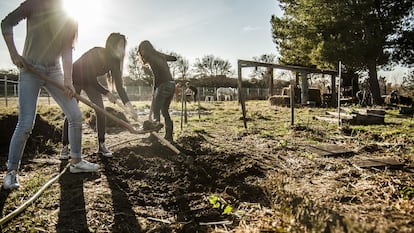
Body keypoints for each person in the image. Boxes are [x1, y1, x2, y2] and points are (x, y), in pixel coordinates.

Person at [1, 0, 99, 190]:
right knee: (26, 123)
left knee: (75, 115)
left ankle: (76, 161)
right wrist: (14, 54)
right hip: (30, 69)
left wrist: (68, 81)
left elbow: (66, 51)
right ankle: (11, 172)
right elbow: (6, 23)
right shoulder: (34, 5)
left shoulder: (69, 17)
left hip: (54, 72)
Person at [60, 32, 138, 159]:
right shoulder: (97, 53)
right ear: (111, 45)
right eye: (119, 46)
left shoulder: (115, 62)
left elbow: (119, 87)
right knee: (72, 112)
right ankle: (64, 146)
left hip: (90, 83)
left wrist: (131, 108)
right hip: (75, 78)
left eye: (123, 46)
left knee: (101, 111)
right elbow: (91, 78)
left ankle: (101, 144)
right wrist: (107, 93)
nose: (122, 49)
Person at [137, 40, 176, 142]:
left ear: (145, 50)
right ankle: (169, 136)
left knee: (156, 110)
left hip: (163, 85)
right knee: (165, 111)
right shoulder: (159, 55)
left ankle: (153, 136)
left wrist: (154, 90)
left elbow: (156, 76)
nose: (142, 53)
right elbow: (174, 58)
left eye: (142, 51)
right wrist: (168, 58)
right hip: (172, 84)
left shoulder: (151, 57)